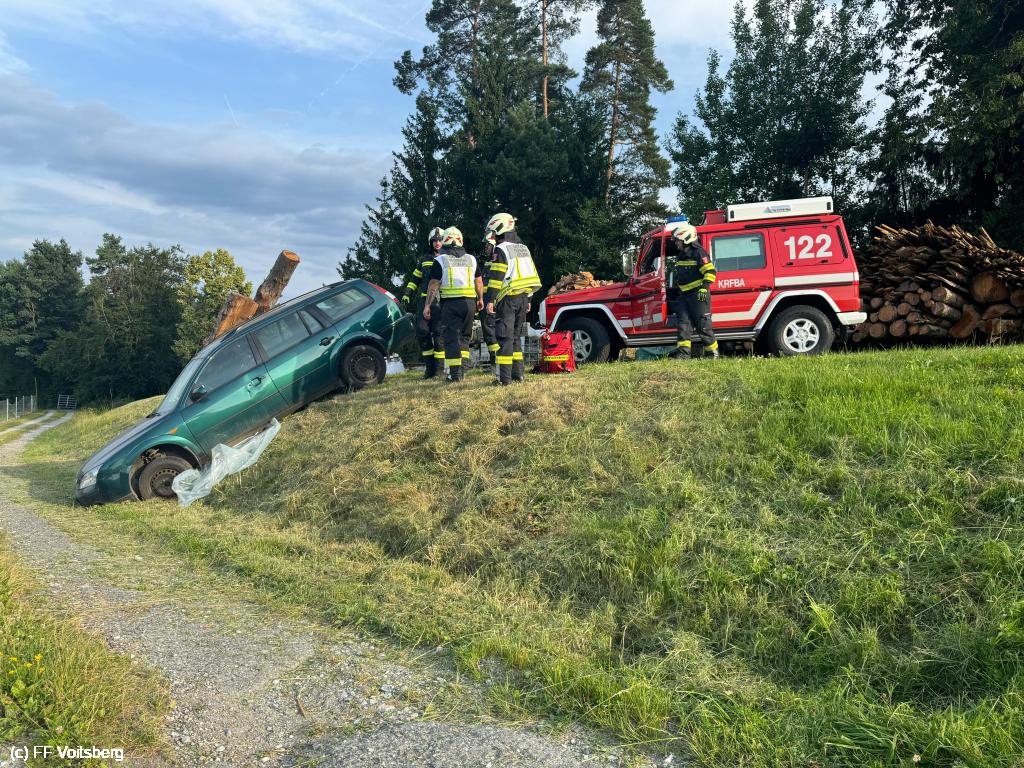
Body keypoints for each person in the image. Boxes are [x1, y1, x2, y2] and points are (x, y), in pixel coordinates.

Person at [483, 212, 542, 385]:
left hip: (508, 299)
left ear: (500, 229)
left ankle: (504, 379)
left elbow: (496, 278)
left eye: (493, 232)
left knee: (504, 338)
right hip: (524, 297)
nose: (493, 236)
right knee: (515, 338)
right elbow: (529, 274)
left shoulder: (501, 249)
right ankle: (518, 375)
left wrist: (490, 300)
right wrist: (529, 299)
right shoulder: (523, 248)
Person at [424, 227, 483, 383]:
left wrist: (427, 305)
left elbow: (433, 285)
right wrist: (480, 299)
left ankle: (454, 375)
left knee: (451, 339)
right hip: (470, 303)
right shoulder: (471, 259)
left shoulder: (440, 260)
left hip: (451, 304)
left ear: (445, 241)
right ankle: (463, 369)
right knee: (465, 337)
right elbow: (478, 281)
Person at [667, 221, 718, 359]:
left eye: (677, 240)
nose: (676, 243)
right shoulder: (681, 255)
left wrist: (704, 289)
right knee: (683, 325)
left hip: (698, 294)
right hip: (684, 296)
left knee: (703, 325)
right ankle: (683, 355)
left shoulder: (699, 253)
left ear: (686, 238)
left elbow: (710, 272)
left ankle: (712, 353)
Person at [402, 227, 446, 378]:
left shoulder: (448, 259)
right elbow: (415, 279)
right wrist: (408, 293)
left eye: (439, 240)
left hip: (441, 301)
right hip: (424, 301)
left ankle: (440, 370)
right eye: (434, 240)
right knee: (422, 332)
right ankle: (430, 369)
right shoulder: (424, 260)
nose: (437, 243)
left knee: (439, 335)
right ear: (430, 242)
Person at [477, 232, 500, 367]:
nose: (486, 247)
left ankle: (496, 361)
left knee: (490, 329)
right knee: (488, 330)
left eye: (488, 245)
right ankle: (495, 360)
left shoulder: (497, 262)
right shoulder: (487, 262)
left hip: (492, 300)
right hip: (485, 299)